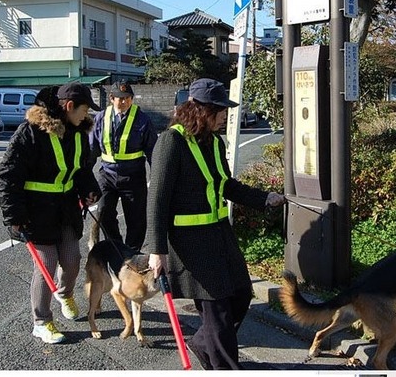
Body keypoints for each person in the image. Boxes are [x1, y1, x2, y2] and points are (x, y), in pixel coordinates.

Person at [144, 77, 286, 370]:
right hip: (189, 244)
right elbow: (156, 198)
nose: (225, 115)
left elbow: (226, 185)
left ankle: (201, 343)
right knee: (218, 312)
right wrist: (156, 250)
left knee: (241, 295)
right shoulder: (171, 142)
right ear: (201, 110)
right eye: (220, 110)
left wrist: (264, 198)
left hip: (219, 235)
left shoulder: (213, 142)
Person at [0, 82, 101, 344]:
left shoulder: (78, 132)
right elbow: (6, 176)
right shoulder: (30, 132)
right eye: (84, 109)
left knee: (73, 259)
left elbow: (83, 170)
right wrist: (15, 216)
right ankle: (41, 321)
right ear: (68, 106)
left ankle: (64, 293)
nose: (86, 115)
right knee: (46, 266)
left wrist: (89, 189)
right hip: (36, 212)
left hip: (66, 210)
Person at [89, 80, 157, 250]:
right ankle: (117, 248)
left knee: (136, 219)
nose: (125, 101)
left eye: (128, 98)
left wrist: (157, 179)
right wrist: (84, 180)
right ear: (112, 98)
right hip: (107, 174)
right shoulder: (100, 118)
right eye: (120, 98)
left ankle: (132, 252)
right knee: (103, 213)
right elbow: (91, 151)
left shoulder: (142, 119)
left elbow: (153, 152)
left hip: (133, 176)